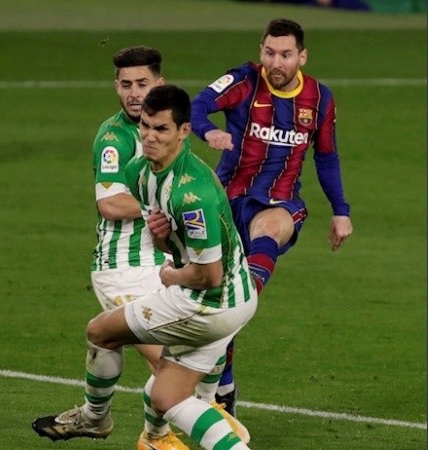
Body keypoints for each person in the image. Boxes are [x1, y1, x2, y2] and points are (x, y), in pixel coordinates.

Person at [33, 85, 257, 450]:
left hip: (210, 303)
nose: (150, 137)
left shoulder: (192, 194)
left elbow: (209, 275)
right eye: (146, 127)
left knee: (100, 332)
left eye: (161, 129)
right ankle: (164, 438)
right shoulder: (140, 172)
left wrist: (169, 275)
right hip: (233, 300)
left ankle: (94, 417)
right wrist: (160, 237)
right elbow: (167, 242)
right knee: (164, 396)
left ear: (184, 131)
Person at [190, 18, 353, 415]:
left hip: (281, 203)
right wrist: (208, 131)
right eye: (269, 53)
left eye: (285, 55)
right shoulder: (243, 80)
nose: (276, 63)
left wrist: (341, 211)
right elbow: (197, 106)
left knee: (269, 230)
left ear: (302, 56)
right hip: (226, 202)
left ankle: (242, 298)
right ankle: (224, 387)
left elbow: (326, 157)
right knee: (216, 303)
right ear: (260, 51)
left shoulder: (320, 98)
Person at [89, 46, 188, 450]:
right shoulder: (113, 138)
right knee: (166, 362)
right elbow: (110, 204)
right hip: (122, 268)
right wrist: (164, 201)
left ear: (158, 84)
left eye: (142, 83)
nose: (133, 93)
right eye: (125, 84)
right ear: (116, 86)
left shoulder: (167, 130)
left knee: (189, 359)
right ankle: (156, 437)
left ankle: (137, 430)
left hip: (163, 263)